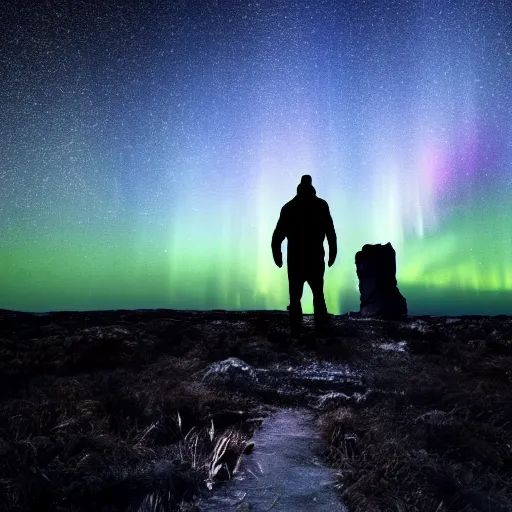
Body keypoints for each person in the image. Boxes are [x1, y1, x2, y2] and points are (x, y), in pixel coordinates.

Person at [271, 175, 337, 336]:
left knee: (297, 295)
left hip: (296, 258)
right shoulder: (320, 205)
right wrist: (332, 252)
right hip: (314, 257)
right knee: (316, 293)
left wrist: (277, 254)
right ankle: (320, 329)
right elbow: (330, 232)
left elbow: (277, 236)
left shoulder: (289, 207)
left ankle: (297, 329)